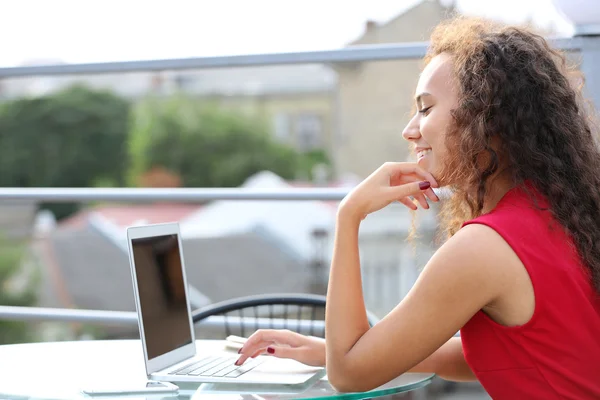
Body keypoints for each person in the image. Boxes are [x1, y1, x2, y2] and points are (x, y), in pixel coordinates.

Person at [236, 16, 600, 399]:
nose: (409, 130)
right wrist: (341, 353)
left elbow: (347, 376)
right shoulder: (559, 213)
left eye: (425, 109)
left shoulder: (485, 247)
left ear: (486, 117)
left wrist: (349, 215)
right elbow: (521, 351)